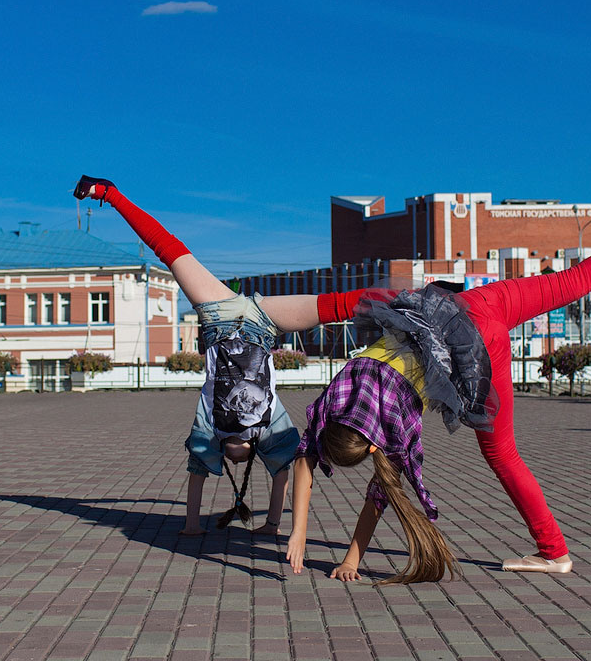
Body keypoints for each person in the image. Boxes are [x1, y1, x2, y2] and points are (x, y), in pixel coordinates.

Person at [285, 228, 591, 584]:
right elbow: (309, 447)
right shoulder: (338, 395)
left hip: (477, 349)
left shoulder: (394, 425)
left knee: (501, 452)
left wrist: (351, 558)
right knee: (572, 281)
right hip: (471, 305)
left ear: (372, 447)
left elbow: (378, 486)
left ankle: (555, 551)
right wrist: (300, 532)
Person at [74, 175, 371, 535]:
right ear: (245, 446)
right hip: (232, 316)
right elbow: (272, 470)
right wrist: (211, 525)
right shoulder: (225, 423)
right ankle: (108, 192)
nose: (234, 439)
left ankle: (444, 301)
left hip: (245, 319)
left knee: (342, 305)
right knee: (167, 249)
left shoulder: (231, 422)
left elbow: (274, 469)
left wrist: (197, 526)